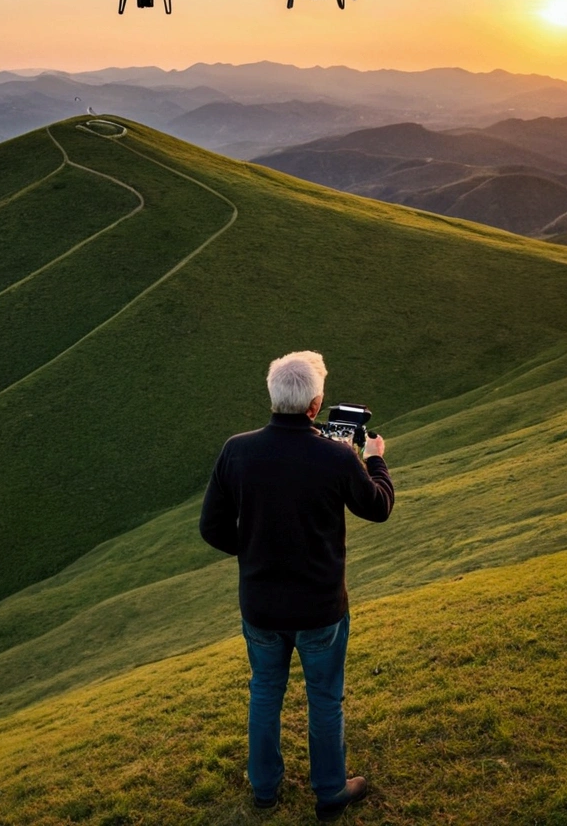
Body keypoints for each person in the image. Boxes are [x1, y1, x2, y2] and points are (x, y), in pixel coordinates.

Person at [200, 350, 395, 821]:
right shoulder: (335, 456)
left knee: (265, 690)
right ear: (316, 405)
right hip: (320, 605)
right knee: (324, 696)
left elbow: (212, 526)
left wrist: (254, 555)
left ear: (273, 397)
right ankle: (330, 790)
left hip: (261, 604)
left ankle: (264, 789)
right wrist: (374, 461)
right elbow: (378, 507)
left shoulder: (237, 449)